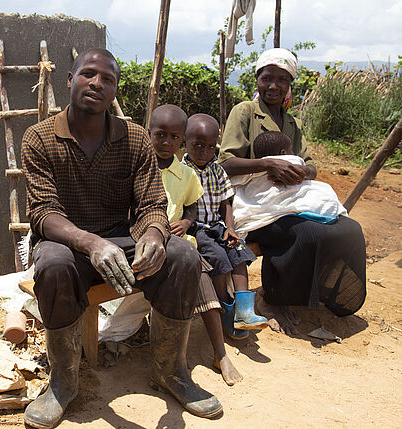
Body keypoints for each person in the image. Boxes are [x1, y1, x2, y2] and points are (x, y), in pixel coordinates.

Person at [20, 49, 222, 428]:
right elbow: (42, 212)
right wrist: (91, 243)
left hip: (121, 244)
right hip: (68, 245)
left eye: (107, 79)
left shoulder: (134, 138)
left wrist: (155, 234)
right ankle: (63, 381)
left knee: (183, 255)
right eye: (88, 74)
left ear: (114, 91)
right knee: (52, 263)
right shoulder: (39, 138)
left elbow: (152, 203)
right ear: (70, 79)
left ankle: (170, 371)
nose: (97, 83)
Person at [219, 48, 366, 334]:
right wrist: (268, 164)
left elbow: (310, 165)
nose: (273, 86)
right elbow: (226, 163)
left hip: (289, 202)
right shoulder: (245, 112)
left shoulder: (292, 122)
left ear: (289, 84)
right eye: (267, 78)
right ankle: (272, 299)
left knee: (348, 229)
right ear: (257, 80)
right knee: (307, 233)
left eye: (281, 80)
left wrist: (298, 171)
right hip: (257, 205)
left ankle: (325, 294)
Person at [149, 104, 242, 386]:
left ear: (181, 142)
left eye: (174, 137)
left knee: (198, 271)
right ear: (149, 134)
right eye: (160, 135)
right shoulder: (142, 165)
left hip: (180, 242)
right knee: (194, 268)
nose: (166, 142)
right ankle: (176, 361)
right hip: (148, 240)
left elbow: (191, 209)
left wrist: (187, 223)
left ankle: (218, 353)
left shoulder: (186, 174)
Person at [181, 113, 268, 341]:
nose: (204, 152)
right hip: (196, 229)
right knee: (218, 257)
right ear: (185, 142)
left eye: (210, 147)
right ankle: (225, 307)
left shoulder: (217, 170)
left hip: (217, 226)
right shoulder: (182, 172)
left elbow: (225, 203)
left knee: (238, 251)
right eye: (197, 145)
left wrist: (230, 228)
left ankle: (244, 309)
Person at [231, 131, 348, 237]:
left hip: (266, 214)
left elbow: (311, 168)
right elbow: (226, 164)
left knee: (350, 228)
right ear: (283, 152)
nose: (293, 154)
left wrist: (303, 172)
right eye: (291, 151)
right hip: (285, 218)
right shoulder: (291, 161)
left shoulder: (294, 124)